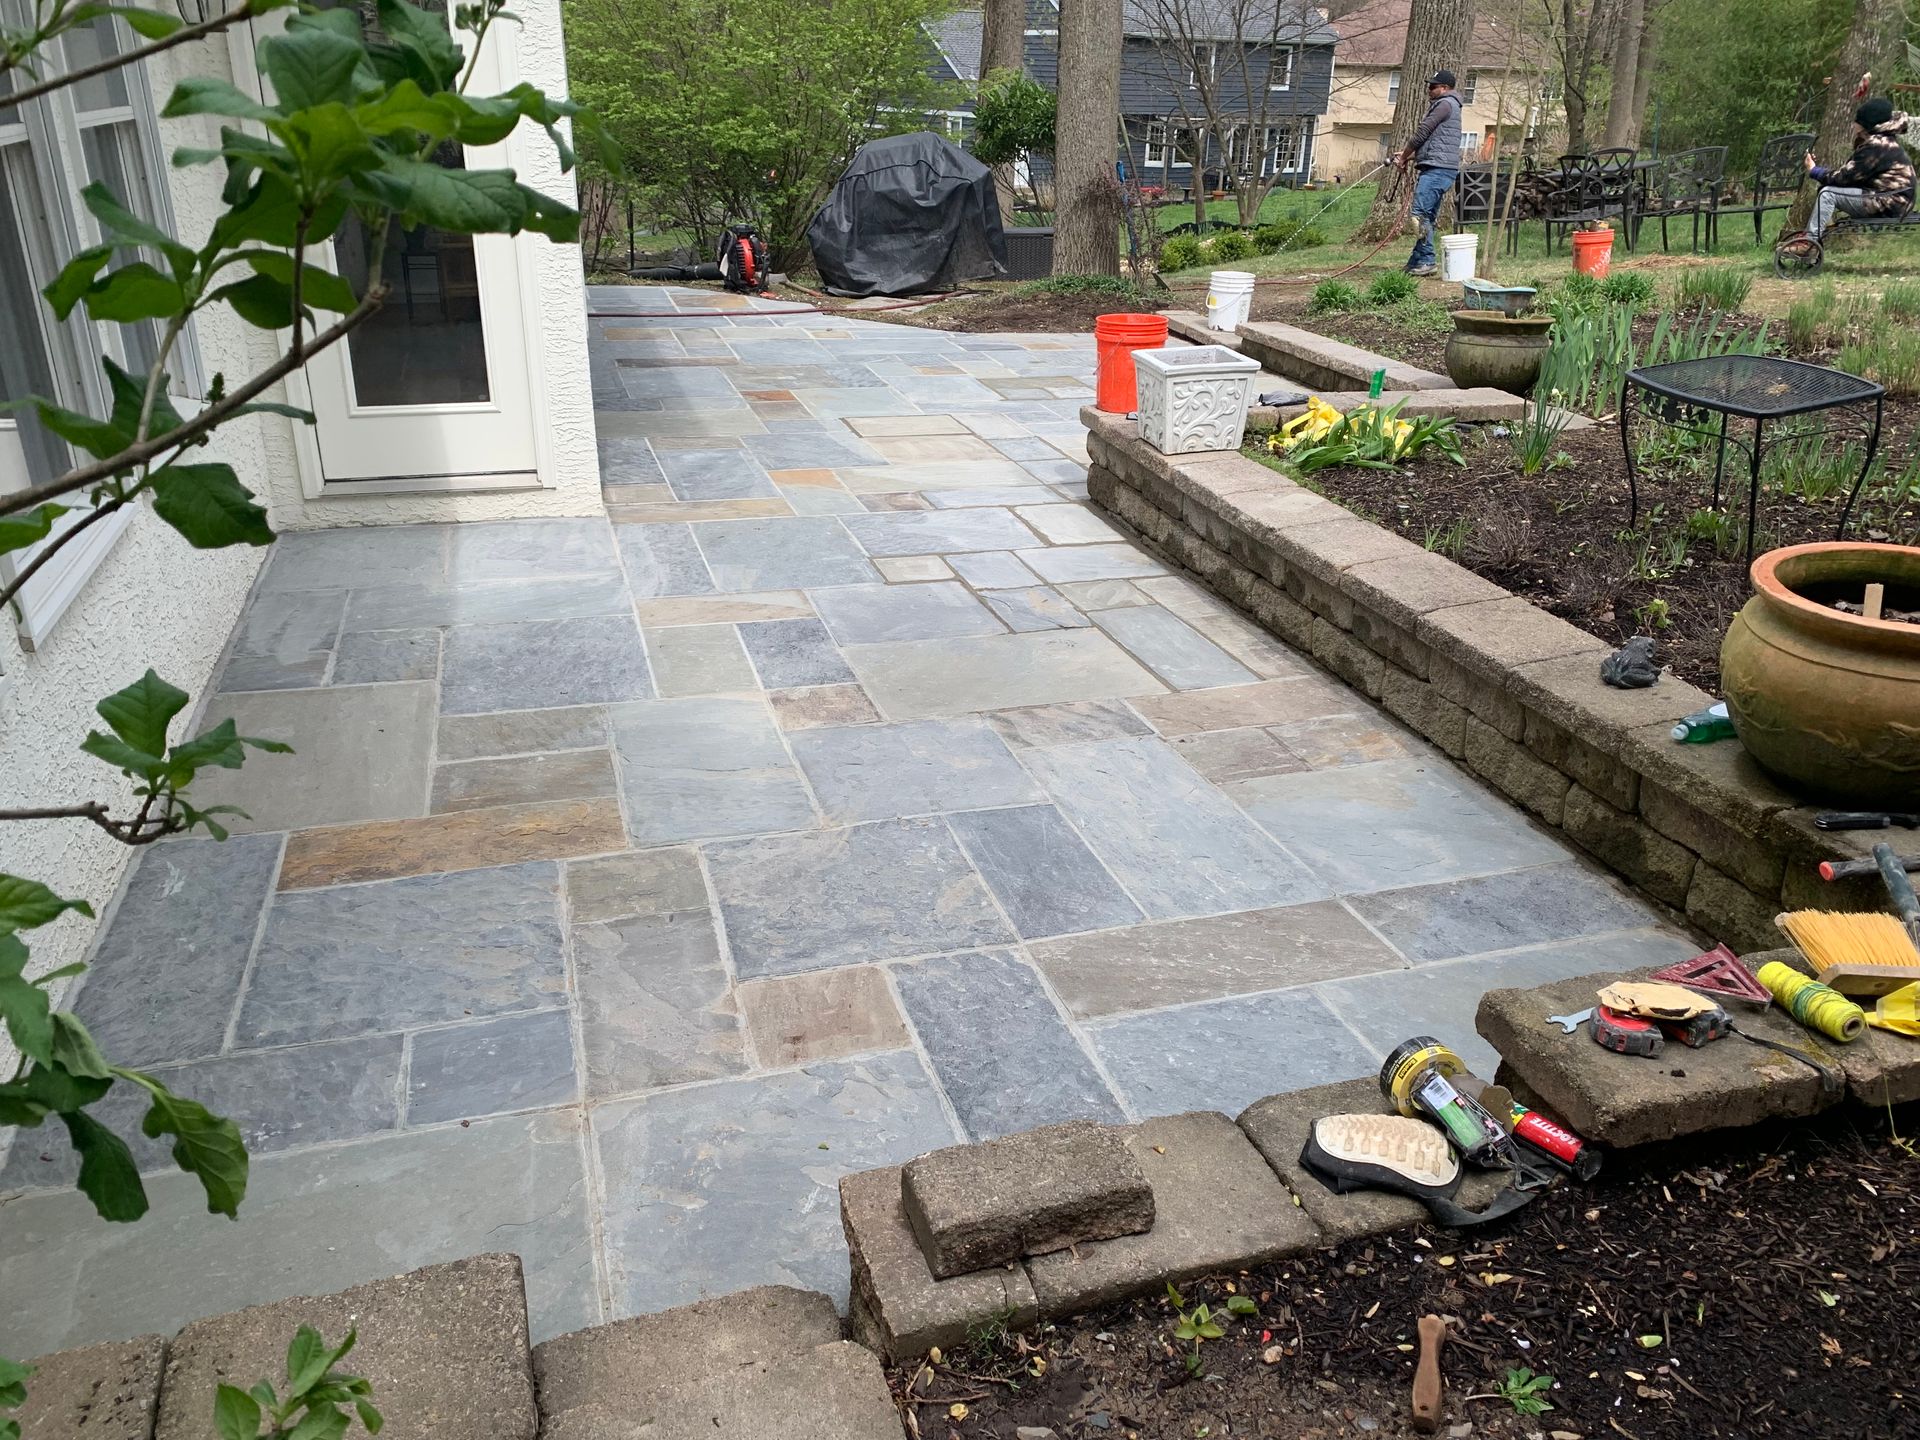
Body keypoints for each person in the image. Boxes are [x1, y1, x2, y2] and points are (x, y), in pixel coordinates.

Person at [1798, 96, 1915, 241]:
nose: (1853, 123)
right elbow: (1852, 174)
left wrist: (1814, 170)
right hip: (1895, 200)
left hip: (1890, 203)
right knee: (1827, 190)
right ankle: (1814, 236)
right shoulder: (1882, 141)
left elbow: (1844, 178)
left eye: (1857, 120)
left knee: (1827, 194)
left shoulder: (1876, 145)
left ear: (1866, 124)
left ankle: (1809, 243)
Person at [1394, 70, 1463, 277]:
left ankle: (1427, 260)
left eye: (1433, 86)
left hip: (1436, 171)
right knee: (1427, 217)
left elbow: (1423, 133)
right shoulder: (1451, 106)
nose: (1429, 90)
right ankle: (1416, 260)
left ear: (1444, 88)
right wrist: (1412, 156)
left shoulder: (1445, 104)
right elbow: (1439, 145)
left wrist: (1405, 155)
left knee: (1419, 215)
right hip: (1443, 169)